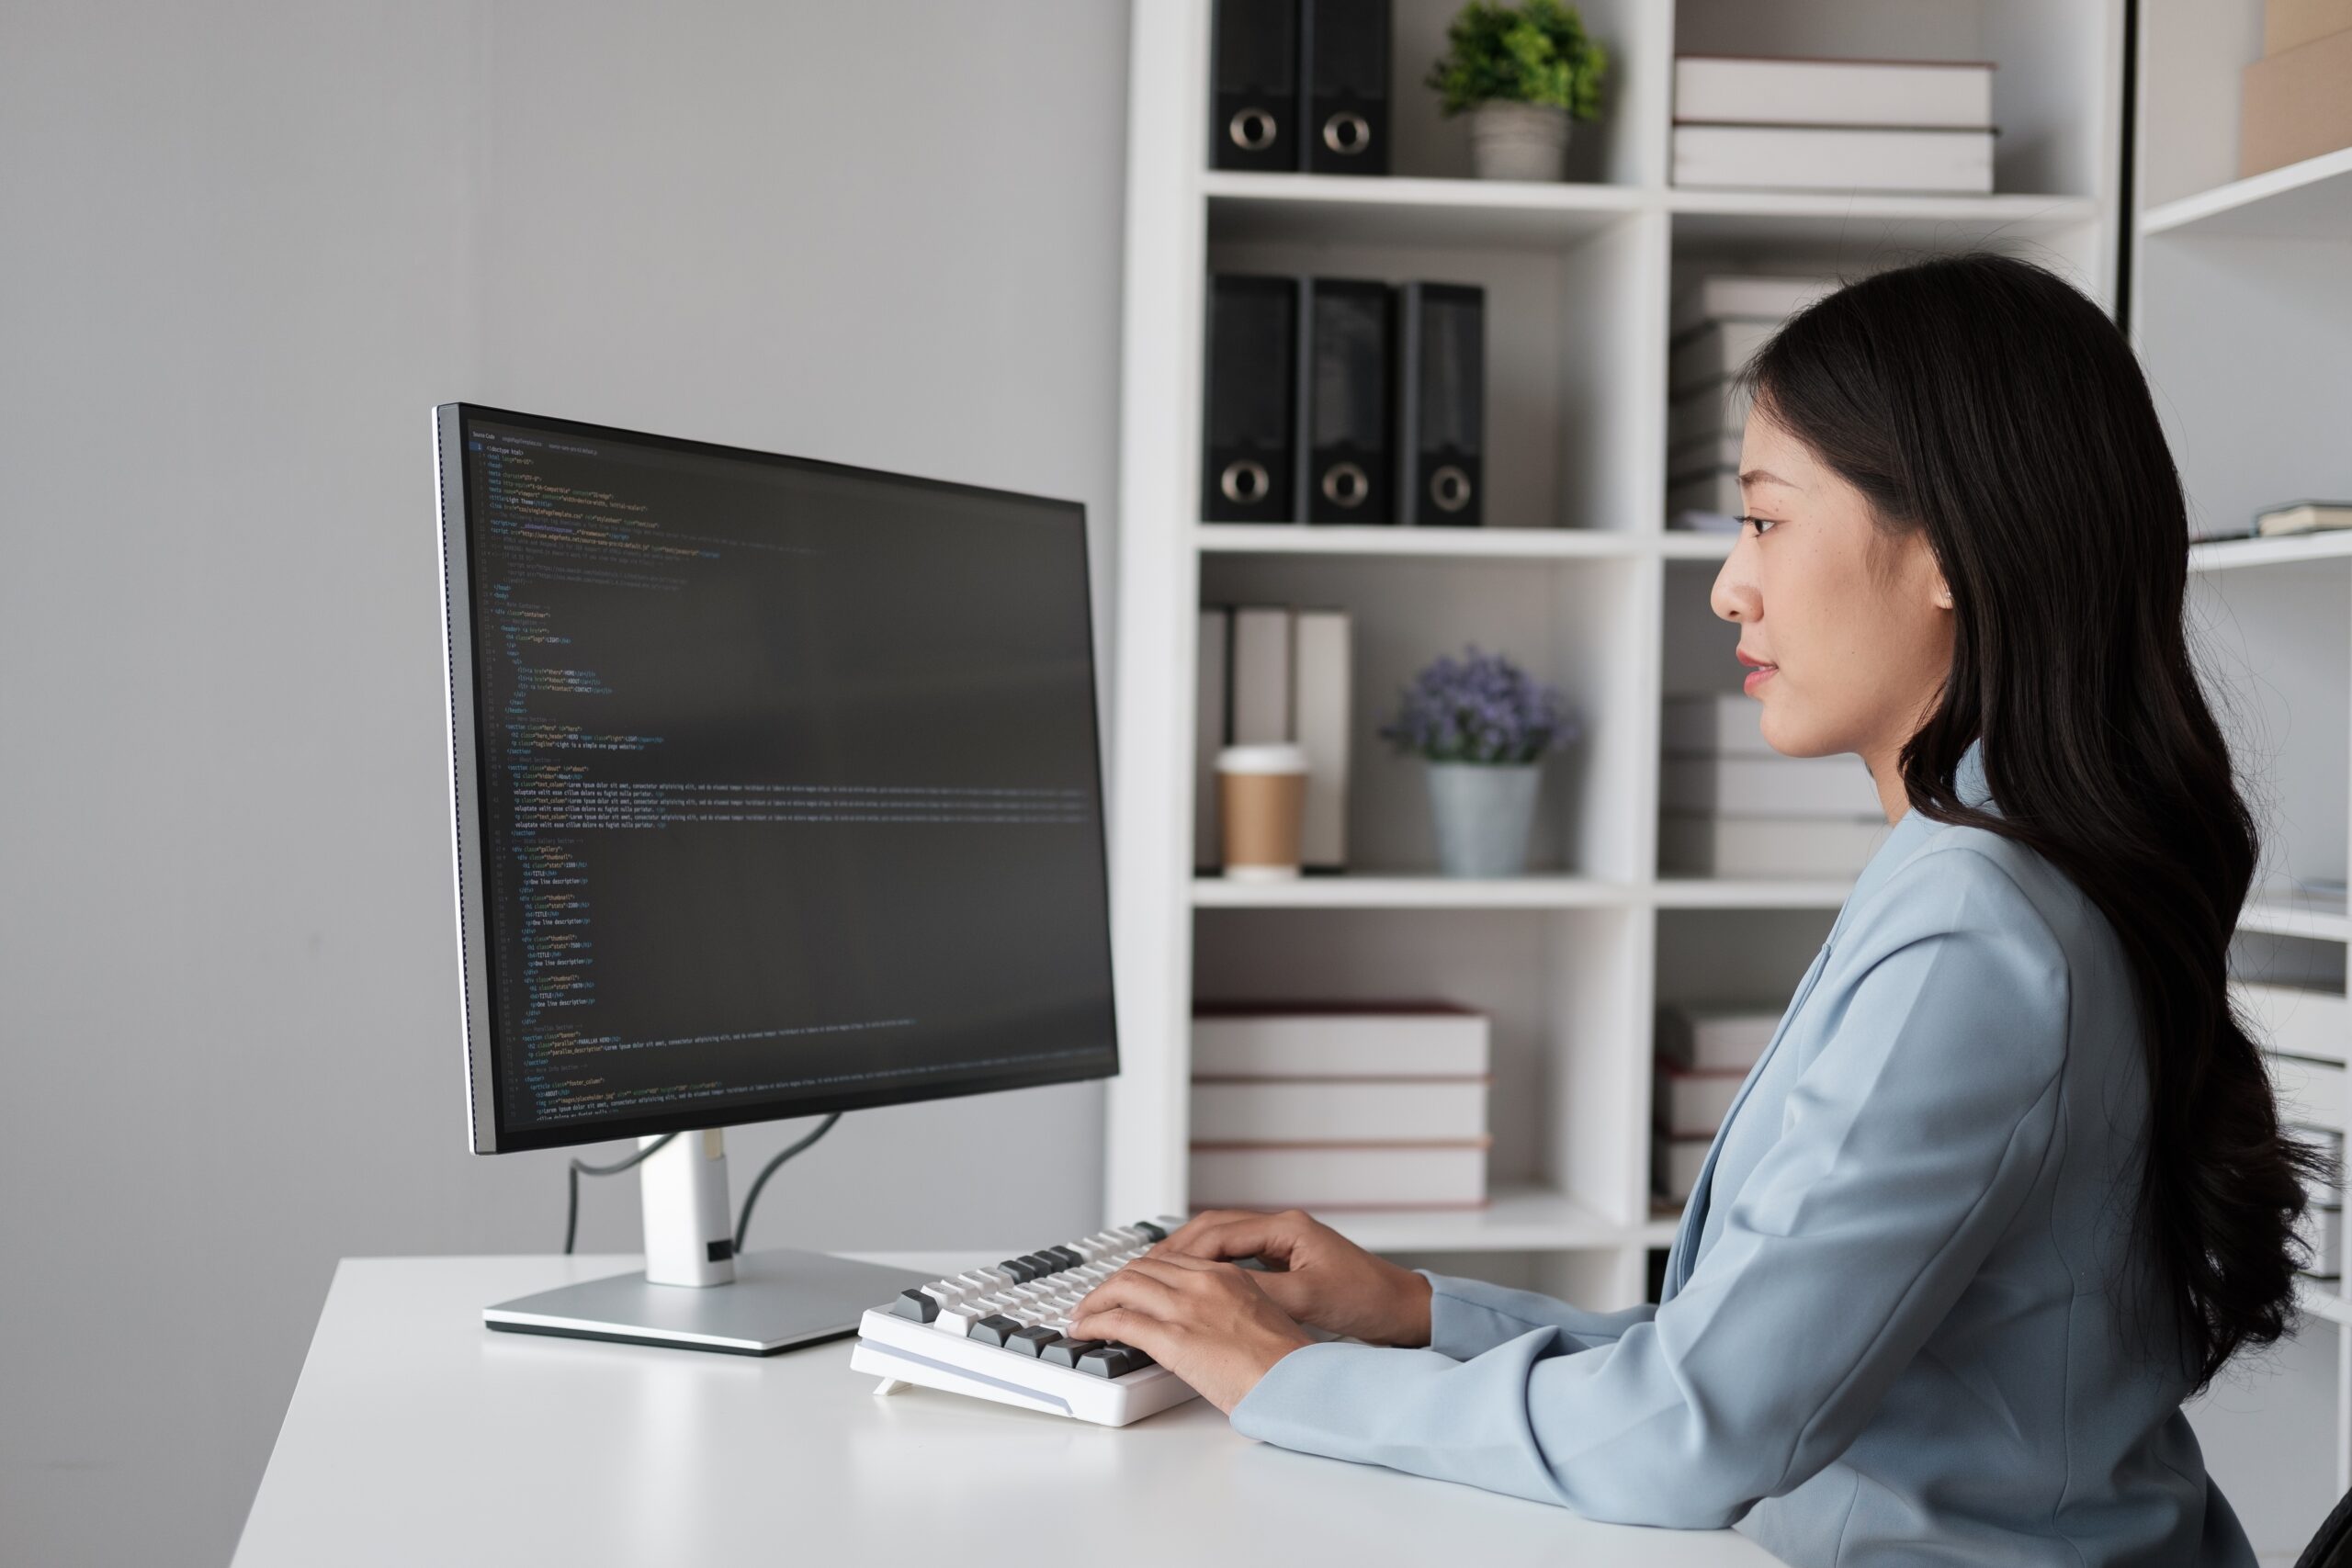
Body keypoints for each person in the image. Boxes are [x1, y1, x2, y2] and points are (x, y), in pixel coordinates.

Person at [1069, 253, 2325, 1566]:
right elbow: (1751, 1365)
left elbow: (1699, 1433)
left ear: (1950, 551)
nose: (1731, 584)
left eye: (1767, 520)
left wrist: (1281, 1380)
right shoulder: (2007, 870)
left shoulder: (1977, 930)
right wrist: (1414, 1310)